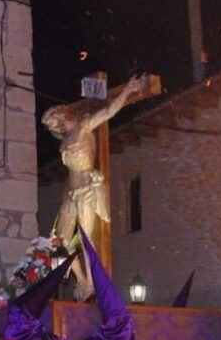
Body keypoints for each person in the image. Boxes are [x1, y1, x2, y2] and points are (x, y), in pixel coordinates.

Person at [45, 75, 147, 299]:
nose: (55, 126)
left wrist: (128, 89)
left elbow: (109, 111)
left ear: (63, 115)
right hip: (70, 194)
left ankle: (92, 281)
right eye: (53, 125)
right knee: (60, 244)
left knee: (87, 239)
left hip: (86, 191)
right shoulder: (64, 140)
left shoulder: (84, 126)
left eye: (55, 121)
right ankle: (81, 280)